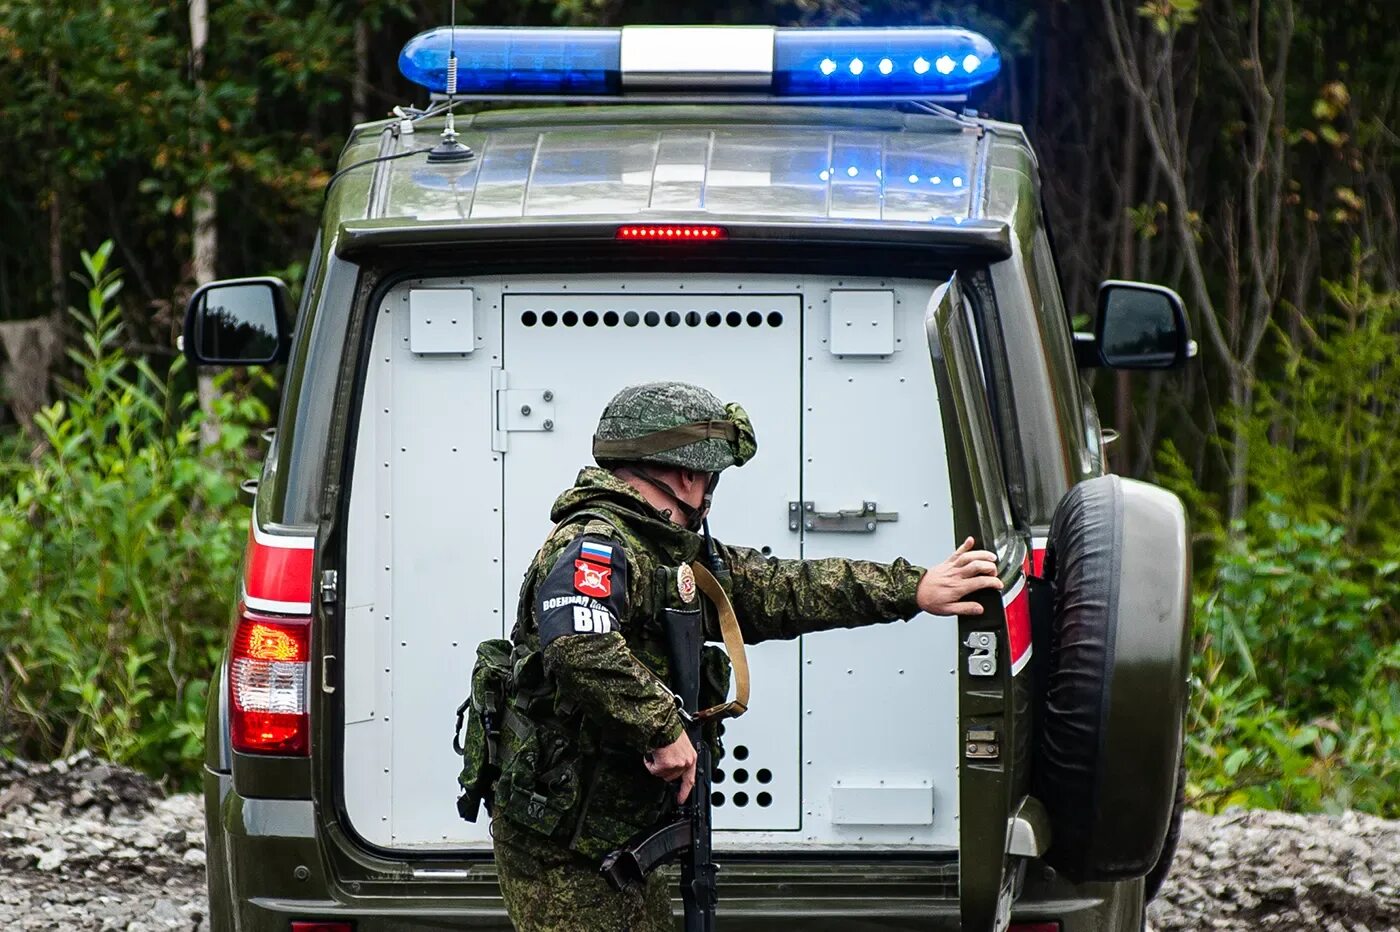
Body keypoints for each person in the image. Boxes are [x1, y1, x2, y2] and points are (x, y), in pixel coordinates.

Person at [488, 381, 1003, 932]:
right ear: (690, 475)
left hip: (615, 837)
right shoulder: (598, 544)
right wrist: (663, 730)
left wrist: (913, 588)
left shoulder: (664, 550)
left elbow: (784, 589)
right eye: (712, 476)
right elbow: (580, 645)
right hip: (565, 850)